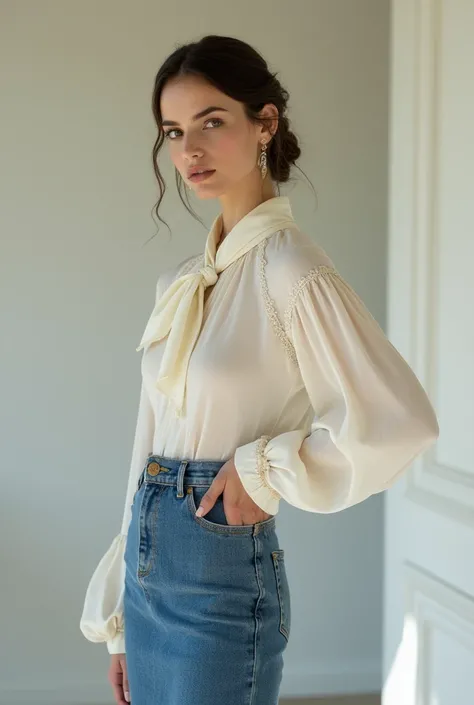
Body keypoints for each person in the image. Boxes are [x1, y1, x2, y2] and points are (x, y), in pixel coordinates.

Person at [80, 34, 439, 705]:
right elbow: (148, 446)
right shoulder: (180, 283)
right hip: (147, 562)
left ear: (264, 123)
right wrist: (119, 619)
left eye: (212, 122)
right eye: (174, 131)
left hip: (220, 574)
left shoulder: (290, 269)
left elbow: (400, 422)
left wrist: (263, 467)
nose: (188, 151)